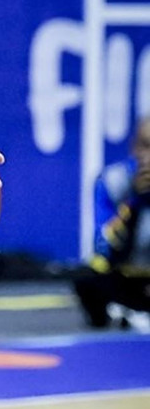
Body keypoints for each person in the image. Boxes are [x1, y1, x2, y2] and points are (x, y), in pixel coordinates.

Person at [75, 116, 150, 328]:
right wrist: (134, 203)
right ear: (135, 147)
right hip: (126, 275)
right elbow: (105, 247)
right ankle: (118, 314)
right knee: (86, 280)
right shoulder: (112, 181)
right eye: (146, 146)